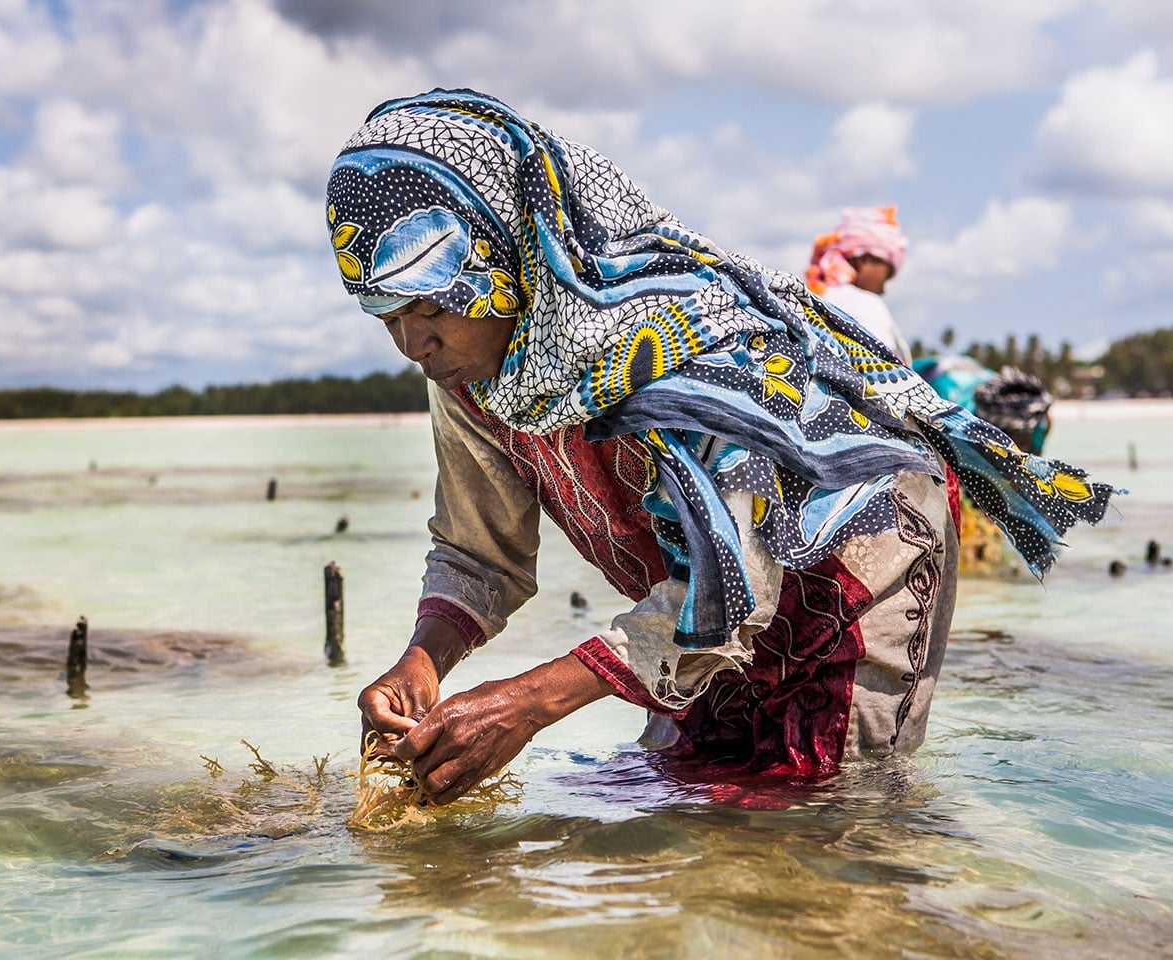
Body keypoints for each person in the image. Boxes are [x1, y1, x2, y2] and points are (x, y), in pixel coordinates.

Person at [326, 90, 1114, 805]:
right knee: (683, 799)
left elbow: (735, 587)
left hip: (854, 572)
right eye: (385, 315)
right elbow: (481, 551)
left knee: (828, 826)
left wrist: (529, 702)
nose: (410, 342)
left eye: (430, 303)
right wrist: (423, 663)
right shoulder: (475, 374)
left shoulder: (674, 344)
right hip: (699, 606)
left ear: (502, 258)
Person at [912, 354, 1056, 575]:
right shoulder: (949, 411)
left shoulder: (1038, 420)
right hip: (928, 385)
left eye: (1023, 441)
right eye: (1016, 439)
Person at [805, 207, 913, 363]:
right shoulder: (866, 304)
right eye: (886, 276)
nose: (883, 289)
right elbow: (885, 370)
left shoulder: (812, 296)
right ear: (865, 260)